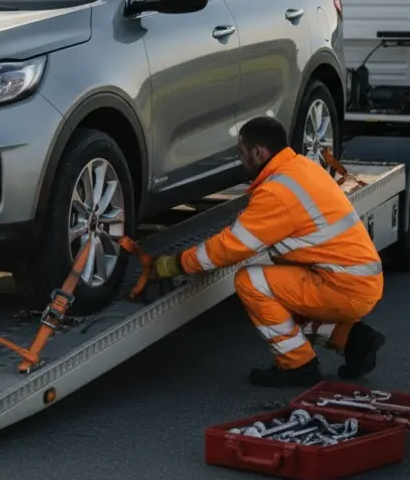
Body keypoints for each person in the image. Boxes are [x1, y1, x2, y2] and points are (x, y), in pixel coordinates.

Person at [151, 116, 387, 387]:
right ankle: (356, 342)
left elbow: (228, 248)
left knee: (251, 283)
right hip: (354, 279)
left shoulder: (278, 192)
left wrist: (172, 265)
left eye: (242, 153)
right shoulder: (301, 167)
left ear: (259, 152)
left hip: (342, 286)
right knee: (281, 298)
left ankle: (298, 365)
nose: (241, 161)